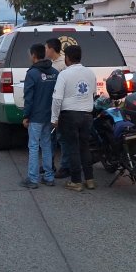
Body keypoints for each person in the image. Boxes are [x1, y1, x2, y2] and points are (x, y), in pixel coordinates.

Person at [51, 44, 96, 192]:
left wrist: (54, 118)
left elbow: (57, 99)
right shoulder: (90, 73)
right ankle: (90, 180)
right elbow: (93, 93)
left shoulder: (64, 74)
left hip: (69, 115)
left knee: (73, 148)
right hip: (87, 115)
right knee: (84, 147)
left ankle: (76, 181)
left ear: (67, 58)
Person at [20, 43, 59, 189]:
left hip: (36, 116)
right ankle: (49, 177)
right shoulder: (55, 72)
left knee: (34, 147)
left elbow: (28, 97)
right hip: (50, 116)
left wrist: (26, 116)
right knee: (47, 146)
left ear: (34, 55)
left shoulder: (32, 73)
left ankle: (33, 179)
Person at [45, 37, 70, 179]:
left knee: (62, 137)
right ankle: (49, 164)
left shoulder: (63, 64)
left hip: (61, 106)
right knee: (50, 137)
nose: (45, 50)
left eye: (46, 48)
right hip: (51, 105)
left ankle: (65, 166)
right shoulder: (49, 63)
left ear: (52, 49)